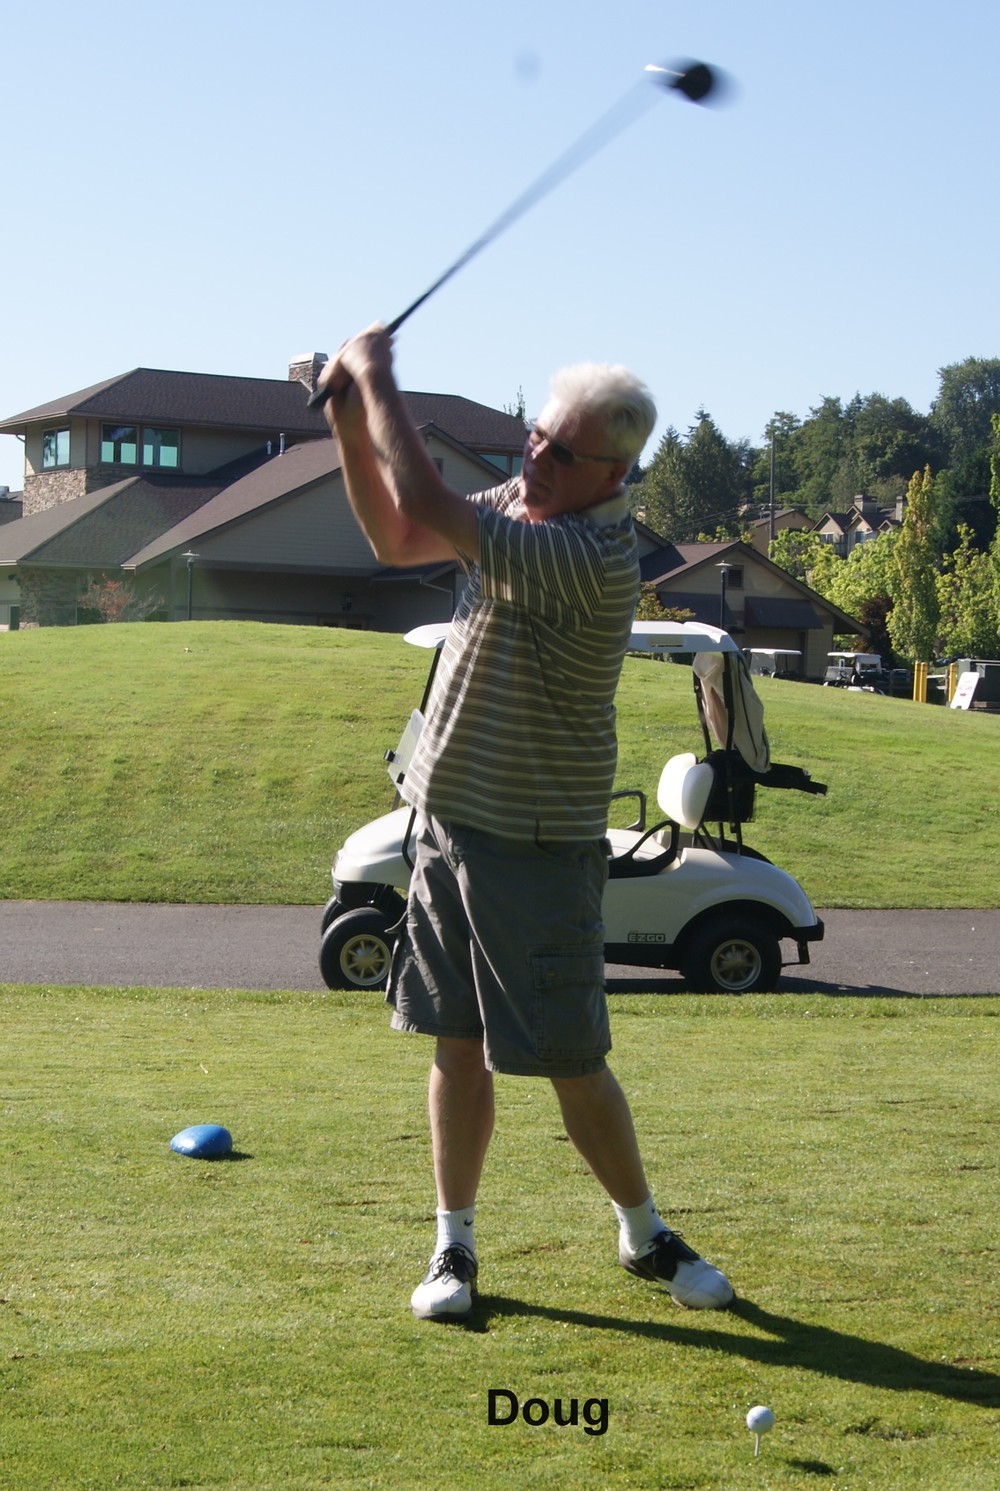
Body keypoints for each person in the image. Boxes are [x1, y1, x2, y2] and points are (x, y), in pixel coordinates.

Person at [318, 327, 734, 1321]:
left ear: (613, 473)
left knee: (570, 1059)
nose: (533, 459)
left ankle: (643, 1232)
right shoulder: (524, 500)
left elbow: (426, 504)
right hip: (446, 821)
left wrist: (375, 377)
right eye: (533, 437)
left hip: (536, 842)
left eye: (559, 451)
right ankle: (452, 1245)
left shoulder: (588, 555)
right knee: (455, 1043)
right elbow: (398, 539)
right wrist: (344, 419)